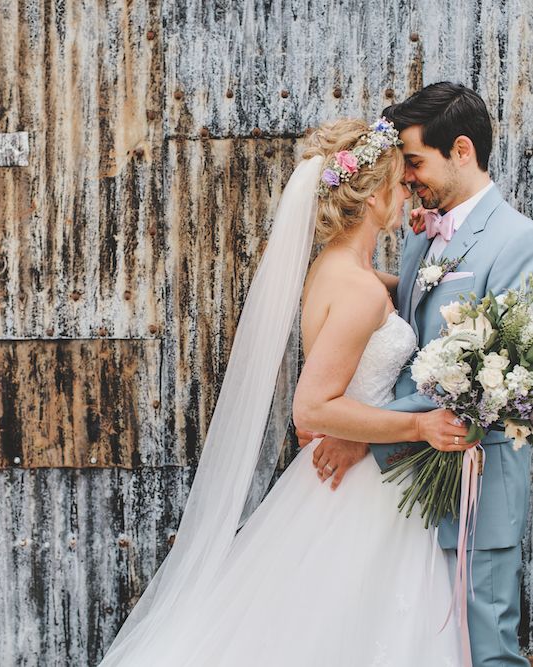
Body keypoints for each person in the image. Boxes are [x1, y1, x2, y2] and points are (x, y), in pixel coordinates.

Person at [98, 117, 469, 666]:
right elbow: (313, 407)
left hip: (353, 474)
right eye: (398, 182)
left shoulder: (338, 268)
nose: (407, 190)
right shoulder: (360, 289)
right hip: (364, 488)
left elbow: (405, 297)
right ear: (370, 198)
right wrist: (419, 425)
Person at [305, 82, 533, 666]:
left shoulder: (519, 244)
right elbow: (404, 334)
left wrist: (363, 431)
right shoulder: (419, 239)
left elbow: (493, 384)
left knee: (486, 652)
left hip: (475, 482)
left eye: (413, 161)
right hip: (406, 490)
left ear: (461, 150)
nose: (405, 178)